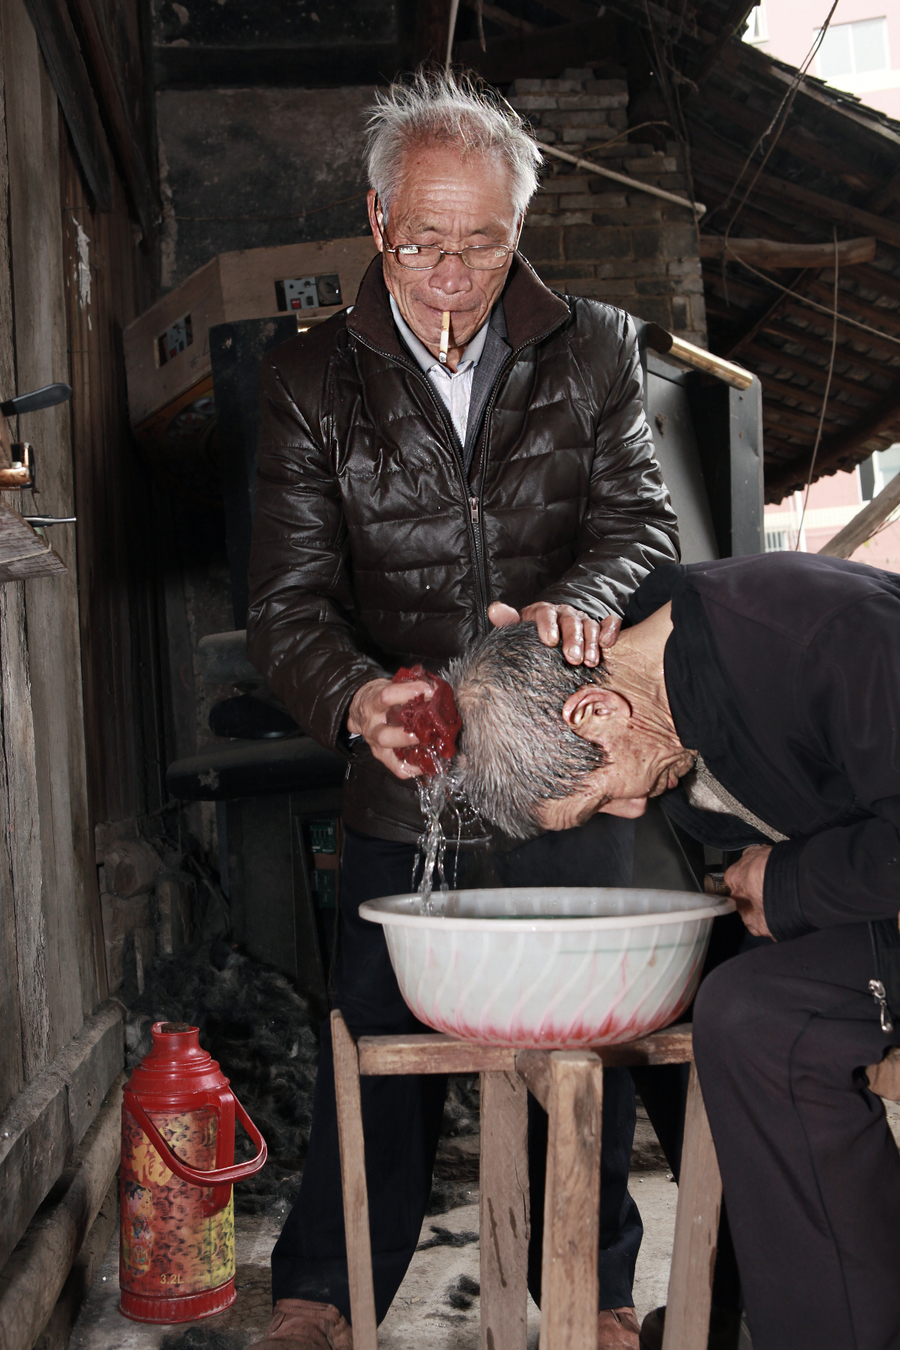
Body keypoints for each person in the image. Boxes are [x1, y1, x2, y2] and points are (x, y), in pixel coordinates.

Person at [245, 68, 679, 1350]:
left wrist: (585, 602)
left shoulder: (592, 343)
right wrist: (357, 698)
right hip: (407, 770)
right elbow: (285, 605)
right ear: (378, 222)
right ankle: (326, 1300)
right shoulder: (309, 379)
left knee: (575, 1057)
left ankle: (592, 1298)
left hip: (561, 751)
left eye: (482, 242)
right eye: (425, 239)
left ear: (519, 230)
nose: (451, 269)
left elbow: (640, 523)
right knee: (375, 1042)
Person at [449, 549, 900, 1350]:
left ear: (594, 712)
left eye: (598, 796)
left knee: (752, 1009)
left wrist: (791, 885)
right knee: (747, 1013)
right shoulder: (673, 692)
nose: (624, 813)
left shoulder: (817, 637)